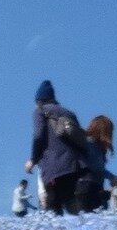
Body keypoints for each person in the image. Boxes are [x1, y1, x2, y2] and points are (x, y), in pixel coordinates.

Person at [28, 80, 91, 214]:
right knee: (73, 205)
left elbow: (38, 136)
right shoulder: (69, 113)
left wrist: (33, 160)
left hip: (54, 168)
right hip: (76, 166)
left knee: (52, 209)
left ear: (39, 100)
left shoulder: (40, 112)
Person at [79, 114, 117, 212]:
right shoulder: (92, 144)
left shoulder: (86, 142)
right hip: (89, 187)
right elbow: (97, 167)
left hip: (81, 187)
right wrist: (112, 177)